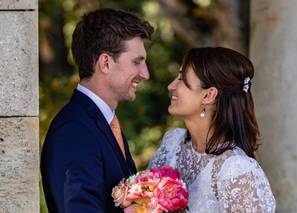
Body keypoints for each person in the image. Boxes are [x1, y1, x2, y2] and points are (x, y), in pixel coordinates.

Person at [41, 8, 154, 212]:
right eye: (137, 62)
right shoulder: (74, 131)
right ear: (106, 63)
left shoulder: (104, 123)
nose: (145, 74)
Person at [149, 47, 276, 212]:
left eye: (181, 78)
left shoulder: (236, 170)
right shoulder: (172, 144)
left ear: (208, 95)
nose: (171, 86)